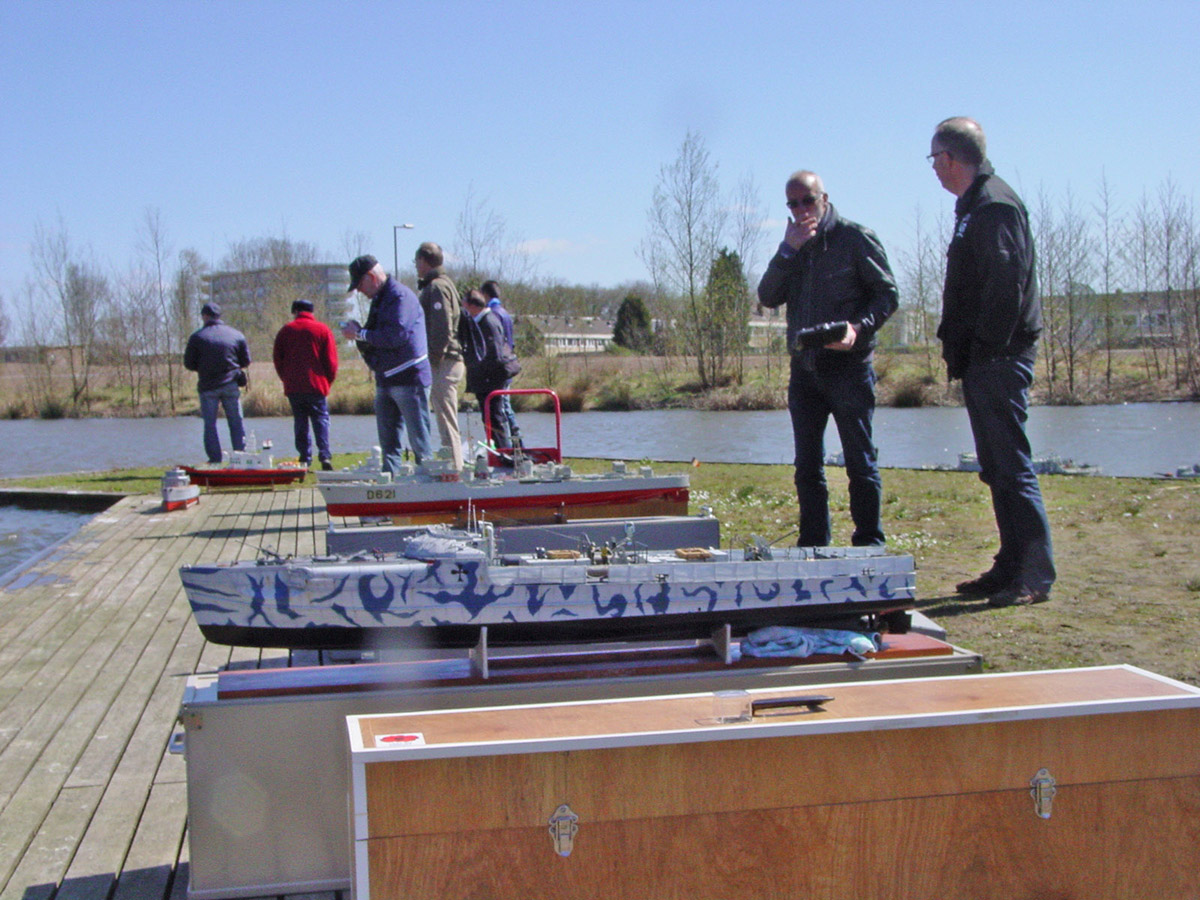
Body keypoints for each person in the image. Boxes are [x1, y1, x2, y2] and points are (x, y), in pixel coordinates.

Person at [930, 116, 1055, 607]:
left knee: (1011, 463)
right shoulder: (974, 205)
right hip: (984, 358)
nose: (933, 169)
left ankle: (1034, 574)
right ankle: (1010, 565)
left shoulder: (995, 204)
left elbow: (1007, 284)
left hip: (1000, 357)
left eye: (934, 159)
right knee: (996, 467)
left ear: (949, 158)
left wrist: (985, 347)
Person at [757, 171, 898, 548]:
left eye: (808, 200)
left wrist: (858, 329)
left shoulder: (855, 238)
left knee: (860, 461)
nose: (802, 210)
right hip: (805, 371)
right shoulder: (793, 248)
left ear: (824, 199)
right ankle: (813, 545)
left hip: (849, 369)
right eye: (793, 204)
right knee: (807, 466)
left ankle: (869, 544)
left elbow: (887, 295)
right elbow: (767, 296)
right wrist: (787, 251)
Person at [341, 255, 432, 473]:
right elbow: (377, 337)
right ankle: (391, 483)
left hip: (409, 379)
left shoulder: (400, 296)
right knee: (389, 445)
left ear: (371, 277)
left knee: (419, 442)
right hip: (386, 379)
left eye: (360, 284)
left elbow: (396, 336)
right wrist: (360, 334)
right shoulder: (380, 300)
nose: (359, 291)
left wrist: (360, 333)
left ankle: (429, 481)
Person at [415, 242, 465, 470]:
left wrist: (433, 360)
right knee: (445, 418)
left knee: (446, 420)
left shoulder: (436, 287)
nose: (416, 266)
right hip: (448, 359)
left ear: (424, 261)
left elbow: (442, 327)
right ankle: (452, 466)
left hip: (444, 362)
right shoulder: (445, 284)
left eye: (416, 262)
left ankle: (454, 470)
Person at [273, 298, 339, 470]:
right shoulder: (322, 330)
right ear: (312, 312)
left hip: (294, 385)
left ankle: (304, 458)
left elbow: (278, 360)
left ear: (295, 312)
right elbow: (331, 361)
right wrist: (327, 381)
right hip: (317, 384)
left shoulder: (286, 331)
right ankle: (325, 456)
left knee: (300, 421)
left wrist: (286, 378)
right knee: (320, 420)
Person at [183, 302, 250, 463]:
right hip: (231, 384)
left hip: (208, 386)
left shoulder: (197, 337)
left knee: (210, 424)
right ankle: (240, 456)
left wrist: (203, 368)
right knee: (236, 421)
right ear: (219, 316)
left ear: (205, 316)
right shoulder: (236, 335)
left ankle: (214, 459)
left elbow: (189, 363)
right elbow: (246, 361)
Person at [458, 289, 520, 454]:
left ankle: (503, 453)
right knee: (489, 419)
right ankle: (498, 453)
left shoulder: (488, 323)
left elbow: (494, 354)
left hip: (491, 381)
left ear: (472, 305)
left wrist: (483, 375)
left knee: (495, 418)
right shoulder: (479, 322)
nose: (463, 307)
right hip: (485, 381)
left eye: (465, 304)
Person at [481, 279, 521, 446]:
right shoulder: (505, 313)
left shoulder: (493, 314)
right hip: (507, 365)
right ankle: (516, 444)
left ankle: (512, 446)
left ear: (485, 295)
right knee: (506, 406)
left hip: (500, 367)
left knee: (503, 408)